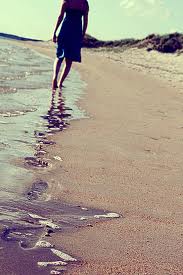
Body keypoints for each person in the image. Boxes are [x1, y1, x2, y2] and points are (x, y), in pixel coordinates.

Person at [52, 0, 89, 90]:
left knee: (59, 56)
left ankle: (54, 78)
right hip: (76, 32)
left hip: (65, 29)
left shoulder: (67, 1)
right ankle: (60, 83)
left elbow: (60, 16)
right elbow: (85, 21)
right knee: (69, 60)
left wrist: (54, 32)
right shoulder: (84, 3)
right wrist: (82, 35)